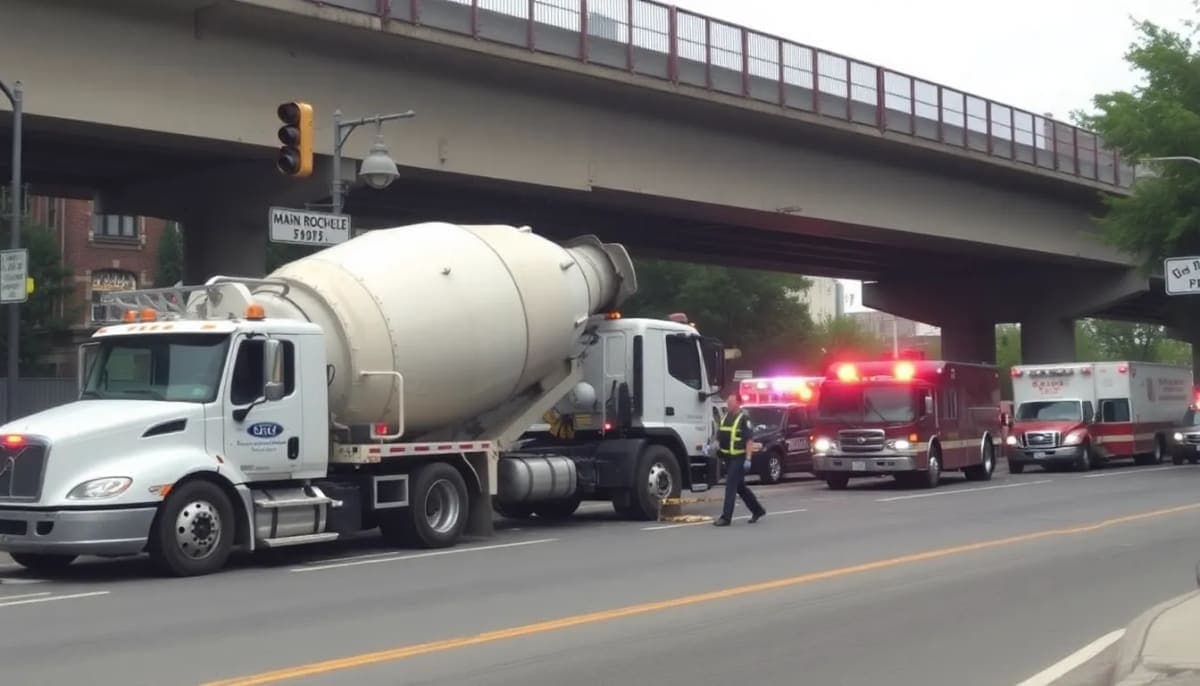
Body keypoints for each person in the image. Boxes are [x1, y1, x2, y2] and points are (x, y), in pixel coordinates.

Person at [713, 393, 766, 527]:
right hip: (728, 458)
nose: (728, 404)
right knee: (740, 487)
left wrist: (748, 459)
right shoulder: (725, 417)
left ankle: (726, 518)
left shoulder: (744, 418)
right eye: (728, 402)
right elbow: (719, 435)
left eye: (731, 402)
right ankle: (758, 510)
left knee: (730, 485)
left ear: (738, 403)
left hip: (739, 458)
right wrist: (714, 444)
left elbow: (749, 441)